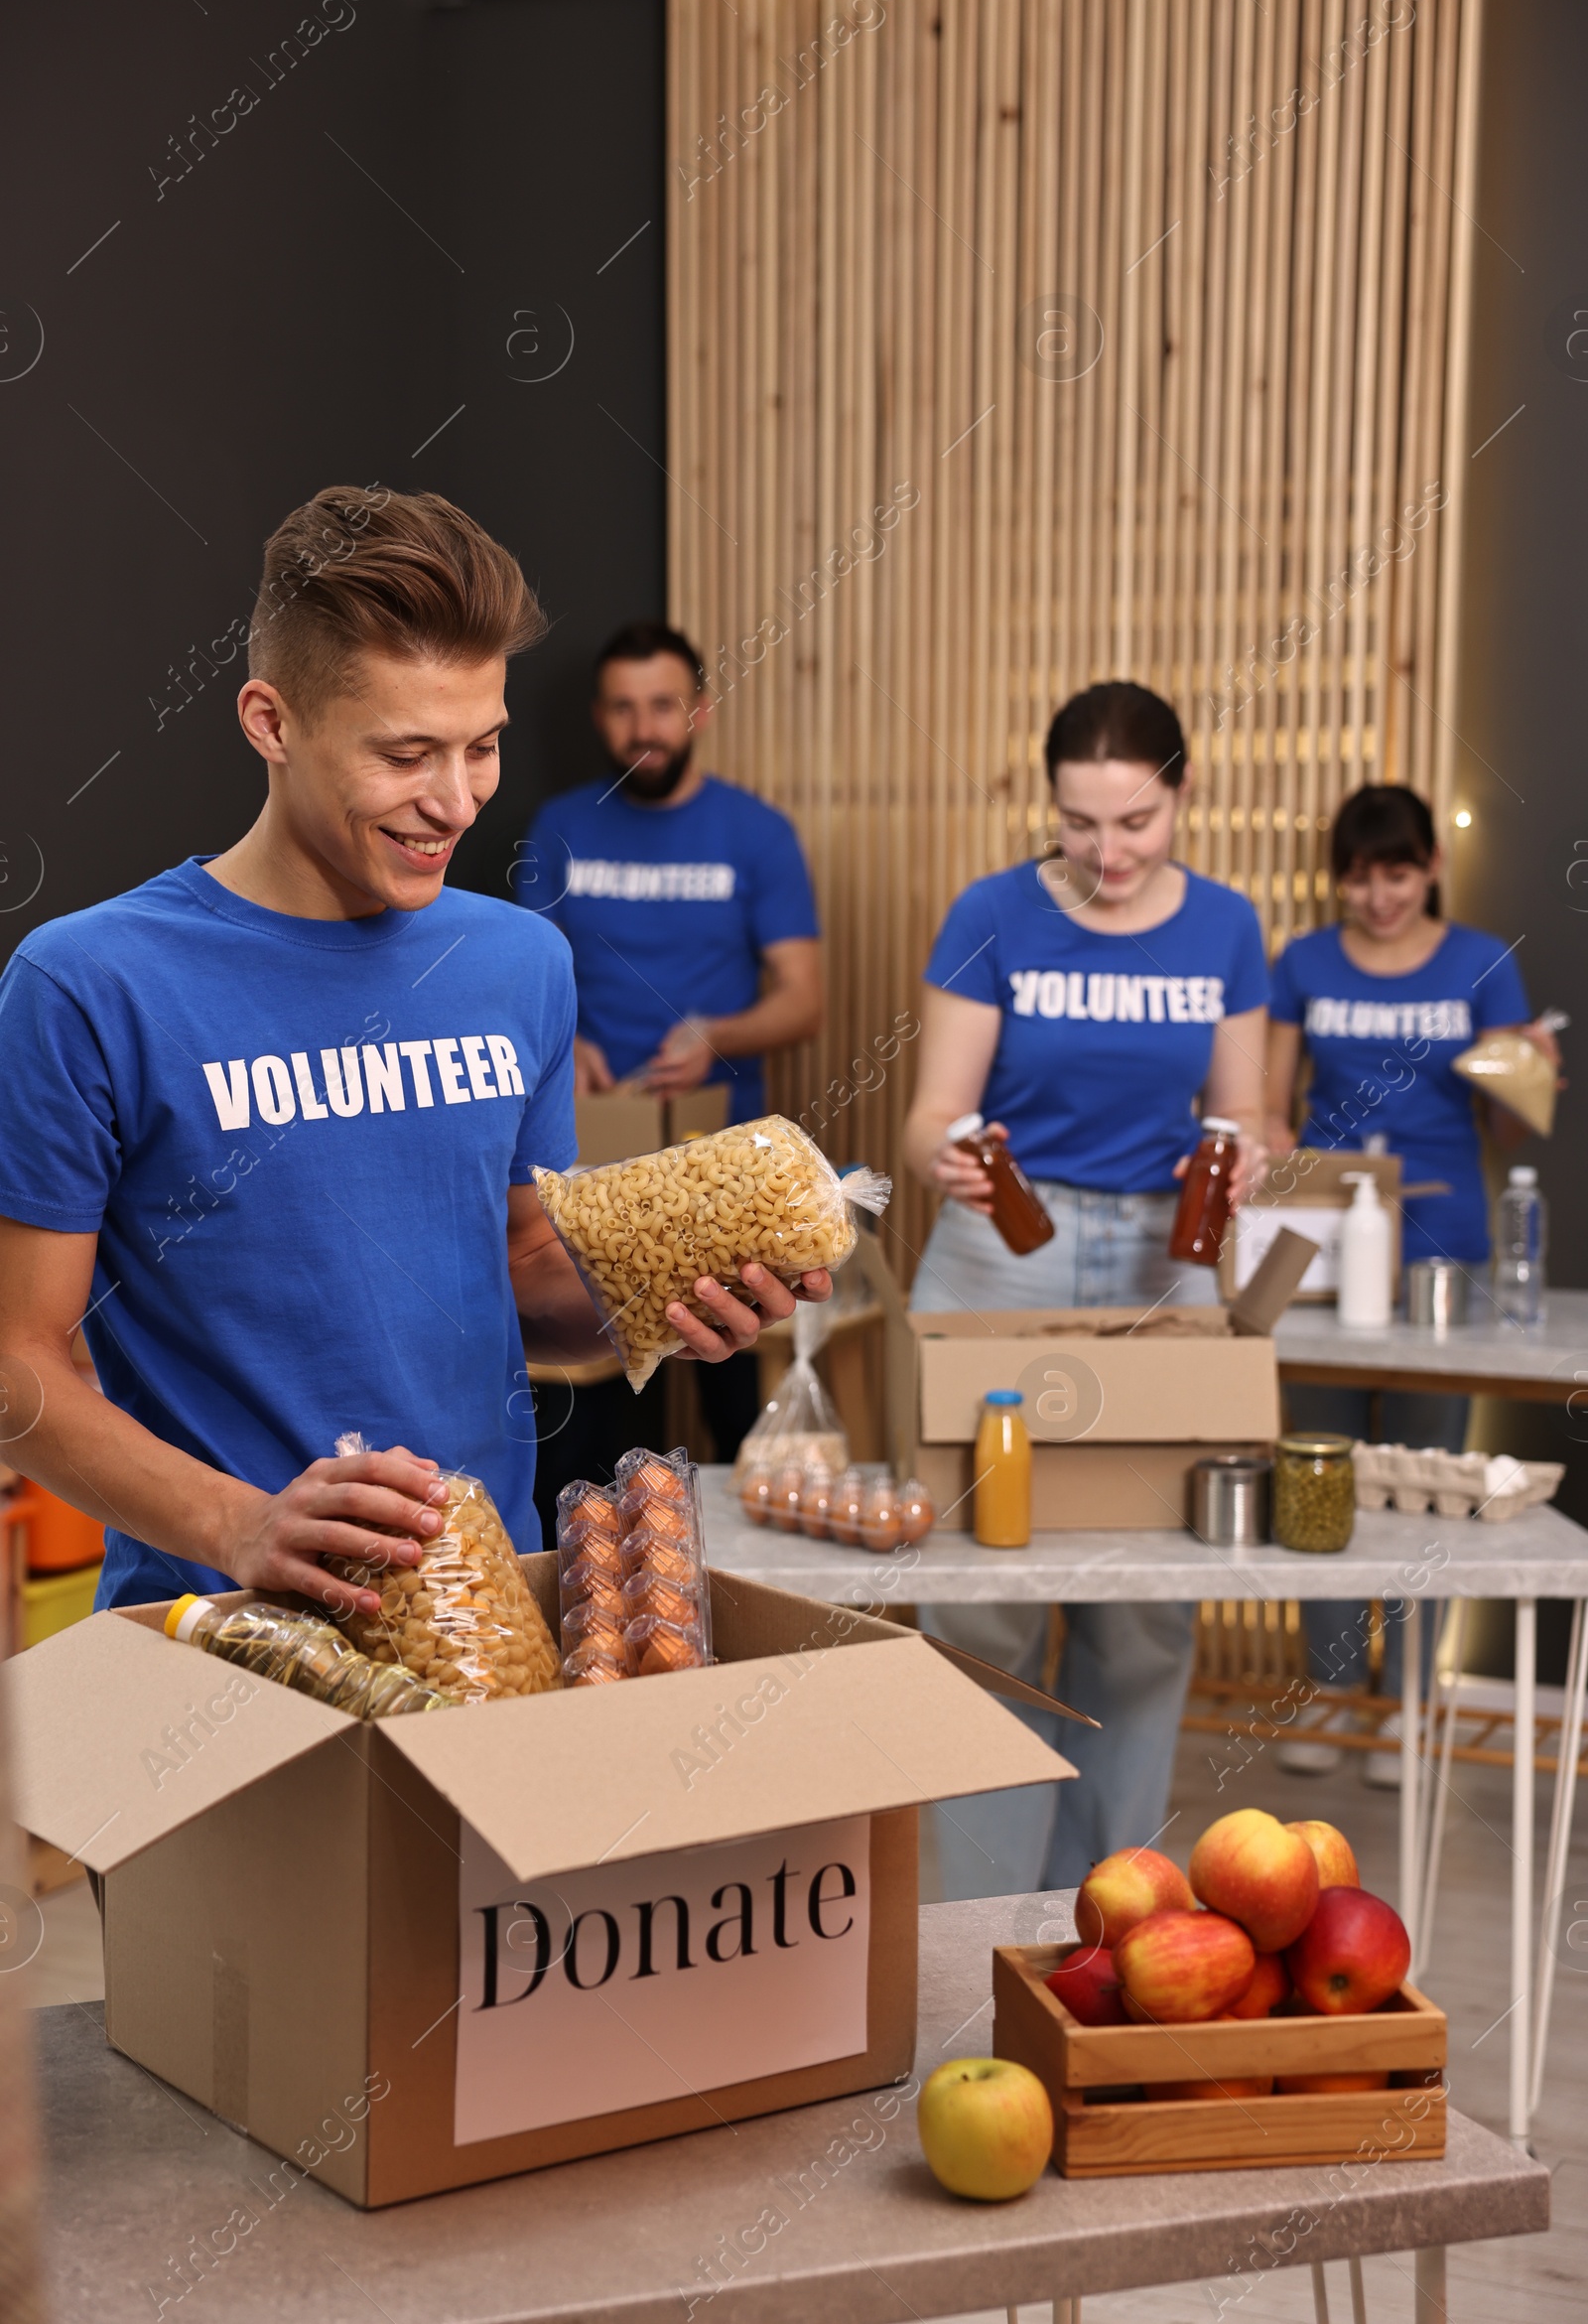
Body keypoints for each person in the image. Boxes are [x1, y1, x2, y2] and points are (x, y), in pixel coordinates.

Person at [0, 489, 826, 1613]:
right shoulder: (88, 982)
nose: (454, 800)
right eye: (404, 753)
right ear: (271, 721)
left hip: (489, 1616)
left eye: (482, 746)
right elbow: (21, 1363)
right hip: (214, 1626)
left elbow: (527, 1271)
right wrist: (240, 1524)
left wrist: (661, 1302)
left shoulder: (522, 962)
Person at [901, 681, 1270, 1893]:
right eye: (1079, 823)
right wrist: (947, 1154)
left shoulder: (1224, 926)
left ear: (1182, 798)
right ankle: (984, 1918)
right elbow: (928, 1122)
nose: (1106, 853)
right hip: (1000, 1252)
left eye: (1135, 823)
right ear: (1047, 803)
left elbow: (1244, 1111)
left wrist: (1245, 1149)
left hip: (1164, 1261)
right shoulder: (992, 911)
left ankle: (1118, 1907)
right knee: (982, 1589)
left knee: (1146, 1596)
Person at [1264, 782, 1558, 1785]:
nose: (1376, 893)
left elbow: (1513, 1126)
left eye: (1396, 871)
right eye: (1357, 873)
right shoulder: (1299, 963)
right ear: (1336, 876)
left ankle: (1408, 1706)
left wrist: (1528, 1079)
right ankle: (1330, 1699)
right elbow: (1270, 1107)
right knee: (1320, 1475)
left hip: (1444, 1248)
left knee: (1430, 1483)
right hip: (1324, 1241)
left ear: (1430, 866)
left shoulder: (1483, 962)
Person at [521, 620, 822, 1467]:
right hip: (590, 1162)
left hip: (721, 1168)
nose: (643, 728)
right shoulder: (556, 827)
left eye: (662, 706)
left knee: (737, 1402)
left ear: (699, 711)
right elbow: (523, 978)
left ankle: (751, 1595)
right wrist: (565, 1037)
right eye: (622, 708)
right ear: (598, 716)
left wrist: (718, 1033)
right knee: (582, 1411)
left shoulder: (756, 834)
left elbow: (805, 1000)